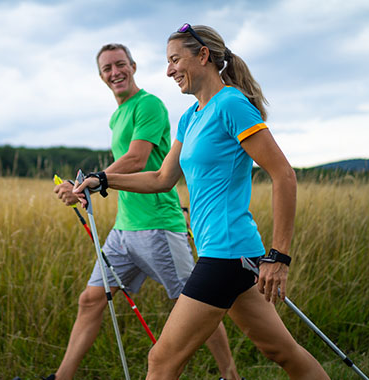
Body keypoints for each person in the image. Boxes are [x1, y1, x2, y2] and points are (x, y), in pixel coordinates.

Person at [74, 25, 331, 380]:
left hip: (227, 256)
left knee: (161, 360)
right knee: (281, 351)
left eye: (175, 59)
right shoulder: (191, 117)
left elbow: (283, 174)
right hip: (229, 255)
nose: (168, 70)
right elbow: (162, 178)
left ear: (204, 56)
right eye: (167, 62)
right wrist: (103, 179)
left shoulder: (231, 104)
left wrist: (279, 256)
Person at [44, 43, 242, 380]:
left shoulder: (148, 105)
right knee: (90, 300)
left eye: (120, 64)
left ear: (133, 66)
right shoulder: (118, 115)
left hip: (158, 227)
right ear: (101, 76)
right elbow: (122, 165)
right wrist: (85, 183)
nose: (115, 72)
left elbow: (137, 159)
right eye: (107, 68)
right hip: (124, 230)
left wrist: (90, 182)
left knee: (195, 303)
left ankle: (230, 375)